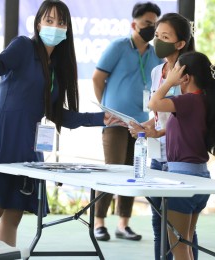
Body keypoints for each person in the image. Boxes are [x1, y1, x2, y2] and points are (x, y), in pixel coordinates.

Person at [0, 0, 117, 246]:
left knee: (14, 213)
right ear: (38, 23)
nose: (55, 26)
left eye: (61, 22)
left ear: (68, 29)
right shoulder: (23, 46)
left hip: (29, 143)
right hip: (3, 135)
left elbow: (59, 115)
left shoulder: (57, 67)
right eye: (49, 20)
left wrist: (101, 119)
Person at [129, 13, 198, 259]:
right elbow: (159, 113)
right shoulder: (159, 70)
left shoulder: (189, 72)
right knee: (160, 227)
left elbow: (190, 115)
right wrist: (146, 127)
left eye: (165, 37)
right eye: (157, 35)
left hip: (180, 159)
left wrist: (158, 130)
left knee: (182, 233)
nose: (158, 41)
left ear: (181, 43)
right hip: (157, 156)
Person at [92, 1, 162, 242]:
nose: (151, 28)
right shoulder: (118, 46)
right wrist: (106, 108)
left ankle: (123, 224)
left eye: (154, 24)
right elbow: (97, 77)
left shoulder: (155, 54)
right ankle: (98, 223)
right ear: (134, 24)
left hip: (141, 123)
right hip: (115, 121)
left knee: (136, 170)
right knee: (112, 169)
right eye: (146, 23)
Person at [148, 51, 215, 260]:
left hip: (182, 179)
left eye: (176, 72)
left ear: (185, 77)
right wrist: (157, 132)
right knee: (186, 244)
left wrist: (168, 81)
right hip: (198, 175)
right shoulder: (202, 101)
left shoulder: (187, 100)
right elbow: (183, 128)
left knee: (179, 248)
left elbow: (153, 103)